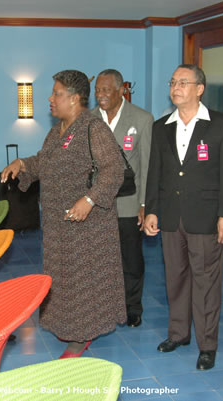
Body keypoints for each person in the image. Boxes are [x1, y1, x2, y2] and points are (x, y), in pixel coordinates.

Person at [0, 70, 126, 358]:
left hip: (88, 224)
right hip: (59, 224)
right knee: (62, 277)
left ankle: (81, 336)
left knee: (83, 280)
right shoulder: (56, 131)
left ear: (74, 98)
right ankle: (67, 323)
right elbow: (45, 162)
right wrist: (22, 163)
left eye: (56, 94)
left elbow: (113, 170)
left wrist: (90, 199)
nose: (50, 98)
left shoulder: (93, 127)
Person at [143, 64, 223, 371]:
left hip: (207, 216)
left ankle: (207, 345)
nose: (176, 87)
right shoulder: (161, 127)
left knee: (206, 282)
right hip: (171, 216)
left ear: (199, 89)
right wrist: (151, 209)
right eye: (173, 82)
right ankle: (178, 334)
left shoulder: (221, 125)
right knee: (176, 279)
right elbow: (154, 172)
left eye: (183, 82)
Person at [93, 69, 153, 328]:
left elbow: (148, 165)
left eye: (106, 90)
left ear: (121, 91)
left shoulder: (141, 119)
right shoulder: (88, 119)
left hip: (129, 204)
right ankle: (103, 306)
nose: (101, 95)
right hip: (96, 204)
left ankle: (132, 307)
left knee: (130, 260)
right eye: (97, 90)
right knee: (99, 259)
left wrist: (144, 204)